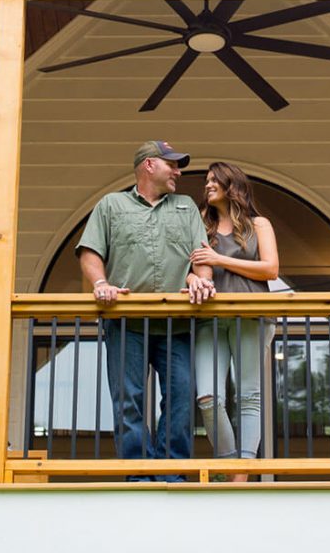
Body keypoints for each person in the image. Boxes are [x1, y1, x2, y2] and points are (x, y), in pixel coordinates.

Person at [76, 140, 215, 479]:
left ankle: (171, 473)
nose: (178, 172)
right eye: (172, 165)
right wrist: (100, 284)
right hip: (126, 323)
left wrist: (200, 279)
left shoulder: (185, 207)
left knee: (181, 400)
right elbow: (90, 252)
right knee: (129, 401)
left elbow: (202, 257)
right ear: (149, 165)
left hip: (178, 324)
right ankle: (138, 473)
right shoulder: (111, 205)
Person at [190, 162, 279, 482]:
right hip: (209, 320)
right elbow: (190, 266)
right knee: (208, 397)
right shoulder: (200, 224)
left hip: (252, 316)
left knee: (249, 397)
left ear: (233, 186)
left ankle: (240, 477)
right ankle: (233, 467)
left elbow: (270, 269)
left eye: (215, 180)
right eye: (207, 180)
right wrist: (191, 278)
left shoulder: (260, 225)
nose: (208, 185)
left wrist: (219, 259)